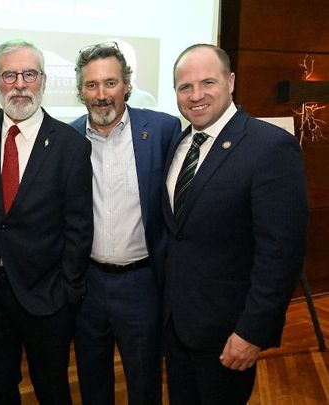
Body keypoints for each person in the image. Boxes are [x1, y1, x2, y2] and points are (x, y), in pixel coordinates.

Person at [163, 43, 308, 404]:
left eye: (207, 82)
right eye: (185, 87)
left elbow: (281, 253)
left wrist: (252, 333)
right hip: (177, 327)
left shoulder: (270, 147)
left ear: (231, 82)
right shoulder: (180, 143)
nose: (196, 96)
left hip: (228, 336)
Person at [0, 39, 93, 405]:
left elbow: (79, 225)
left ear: (44, 80)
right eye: (9, 74)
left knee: (52, 387)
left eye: (29, 74)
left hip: (46, 294)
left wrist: (68, 291)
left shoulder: (70, 144)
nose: (20, 84)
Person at [70, 42, 181, 405]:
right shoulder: (67, 138)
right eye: (92, 85)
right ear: (80, 90)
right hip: (87, 286)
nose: (101, 95)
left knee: (145, 381)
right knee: (92, 381)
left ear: (127, 85)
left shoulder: (164, 130)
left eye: (110, 83)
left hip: (142, 285)